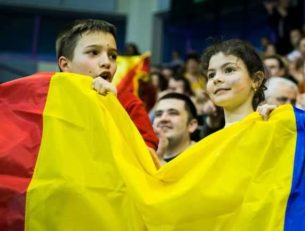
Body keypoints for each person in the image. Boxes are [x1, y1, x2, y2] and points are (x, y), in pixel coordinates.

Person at [55, 19, 160, 165]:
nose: (107, 62)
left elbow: (148, 163)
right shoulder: (47, 100)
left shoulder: (129, 103)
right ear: (65, 64)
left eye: (113, 56)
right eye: (94, 52)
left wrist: (112, 108)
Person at [200, 39, 266, 126]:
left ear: (256, 80)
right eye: (211, 75)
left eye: (229, 70)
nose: (216, 79)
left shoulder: (276, 126)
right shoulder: (208, 139)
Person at [153, 93, 198, 164]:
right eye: (158, 114)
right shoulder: (145, 156)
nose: (163, 118)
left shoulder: (205, 157)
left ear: (191, 125)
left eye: (173, 113)